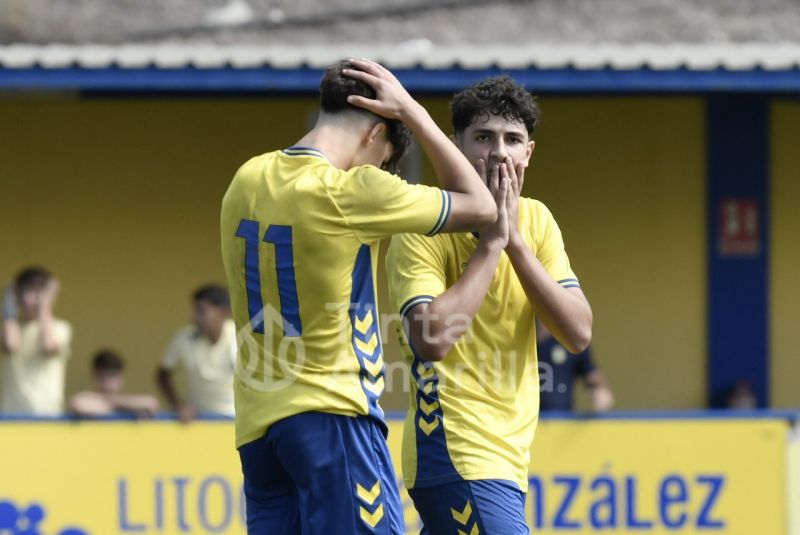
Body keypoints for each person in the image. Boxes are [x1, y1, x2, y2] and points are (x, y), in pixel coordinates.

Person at [220, 58, 496, 534]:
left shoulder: (247, 177)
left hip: (257, 429)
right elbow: (482, 206)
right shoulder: (352, 189)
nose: (382, 169)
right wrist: (413, 111)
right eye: (385, 159)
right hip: (333, 416)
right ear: (375, 133)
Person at [386, 76, 592, 534]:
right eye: (483, 137)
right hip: (455, 450)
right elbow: (432, 339)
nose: (499, 152)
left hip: (509, 459)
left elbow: (578, 332)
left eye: (512, 140)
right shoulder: (422, 223)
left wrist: (514, 241)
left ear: (528, 153)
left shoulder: (537, 220)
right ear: (455, 146)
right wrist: (492, 244)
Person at [156, 285, 236, 422]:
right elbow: (162, 376)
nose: (194, 318)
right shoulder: (184, 338)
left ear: (224, 313)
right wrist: (178, 406)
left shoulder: (241, 336)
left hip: (236, 420)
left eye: (201, 311)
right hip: (198, 421)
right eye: (195, 311)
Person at [1, 267, 72, 416]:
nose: (31, 299)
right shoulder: (9, 328)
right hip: (10, 415)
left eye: (38, 292)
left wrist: (44, 307)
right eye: (27, 291)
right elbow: (10, 345)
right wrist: (8, 302)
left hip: (48, 415)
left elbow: (48, 346)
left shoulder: (60, 328)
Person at [536, 318, 613, 412]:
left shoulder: (569, 341)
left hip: (562, 417)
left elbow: (592, 377)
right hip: (522, 418)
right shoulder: (521, 340)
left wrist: (600, 393)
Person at [70, 349, 159, 418]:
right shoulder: (84, 400)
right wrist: (125, 407)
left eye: (112, 376)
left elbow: (151, 403)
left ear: (121, 378)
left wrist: (115, 403)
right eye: (101, 377)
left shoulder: (123, 402)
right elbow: (78, 404)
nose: (106, 383)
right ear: (93, 378)